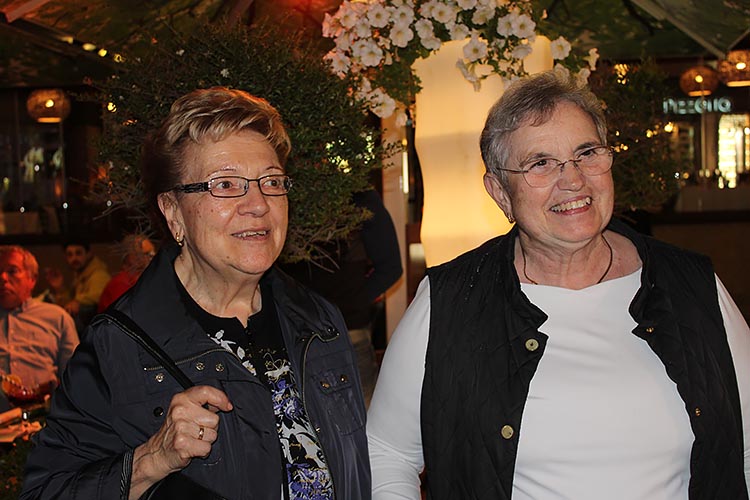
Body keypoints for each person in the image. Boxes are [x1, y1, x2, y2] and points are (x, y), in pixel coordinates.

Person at [367, 70, 750, 500]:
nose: (573, 180)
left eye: (587, 153)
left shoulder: (693, 286)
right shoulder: (451, 301)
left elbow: (747, 446)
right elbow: (388, 453)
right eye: (541, 163)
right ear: (500, 193)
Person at [21, 87, 370, 499]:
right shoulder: (121, 344)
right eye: (225, 184)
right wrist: (152, 459)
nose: (258, 204)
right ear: (173, 212)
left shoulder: (318, 320)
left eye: (272, 181)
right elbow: (46, 492)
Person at [282, 188, 402, 406]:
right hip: (294, 336)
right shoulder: (283, 195)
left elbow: (390, 268)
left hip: (344, 332)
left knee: (360, 415)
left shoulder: (357, 197)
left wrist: (351, 302)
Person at [0, 245, 78, 394]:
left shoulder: (57, 318)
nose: (3, 278)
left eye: (12, 271)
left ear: (32, 279)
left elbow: (76, 378)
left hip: (43, 406)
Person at [43, 236, 111, 331]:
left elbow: (99, 296)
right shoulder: (80, 274)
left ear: (88, 254)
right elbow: (70, 305)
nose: (74, 258)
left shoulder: (98, 275)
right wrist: (59, 288)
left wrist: (78, 302)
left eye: (78, 253)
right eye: (69, 255)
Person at [97, 234, 156, 312]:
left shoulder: (145, 279)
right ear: (131, 257)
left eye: (153, 253)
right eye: (147, 254)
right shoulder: (120, 284)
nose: (153, 258)